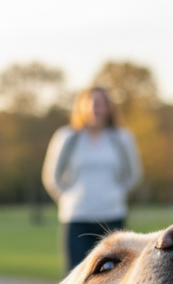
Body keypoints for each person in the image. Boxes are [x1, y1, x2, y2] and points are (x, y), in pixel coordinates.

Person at [42, 87, 143, 274]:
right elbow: (51, 176)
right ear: (81, 107)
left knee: (116, 278)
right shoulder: (67, 137)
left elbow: (134, 175)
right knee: (78, 280)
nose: (96, 108)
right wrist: (67, 198)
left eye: (101, 103)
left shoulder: (122, 138)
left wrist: (118, 195)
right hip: (77, 218)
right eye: (91, 103)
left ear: (109, 108)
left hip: (112, 218)